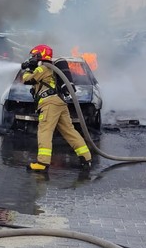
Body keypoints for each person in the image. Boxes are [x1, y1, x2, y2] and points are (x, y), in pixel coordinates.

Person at [21, 44, 92, 173]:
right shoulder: (52, 68)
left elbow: (27, 80)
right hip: (59, 102)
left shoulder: (43, 68)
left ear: (40, 55)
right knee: (69, 131)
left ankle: (42, 163)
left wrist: (28, 69)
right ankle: (86, 158)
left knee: (45, 131)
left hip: (49, 104)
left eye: (34, 56)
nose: (32, 58)